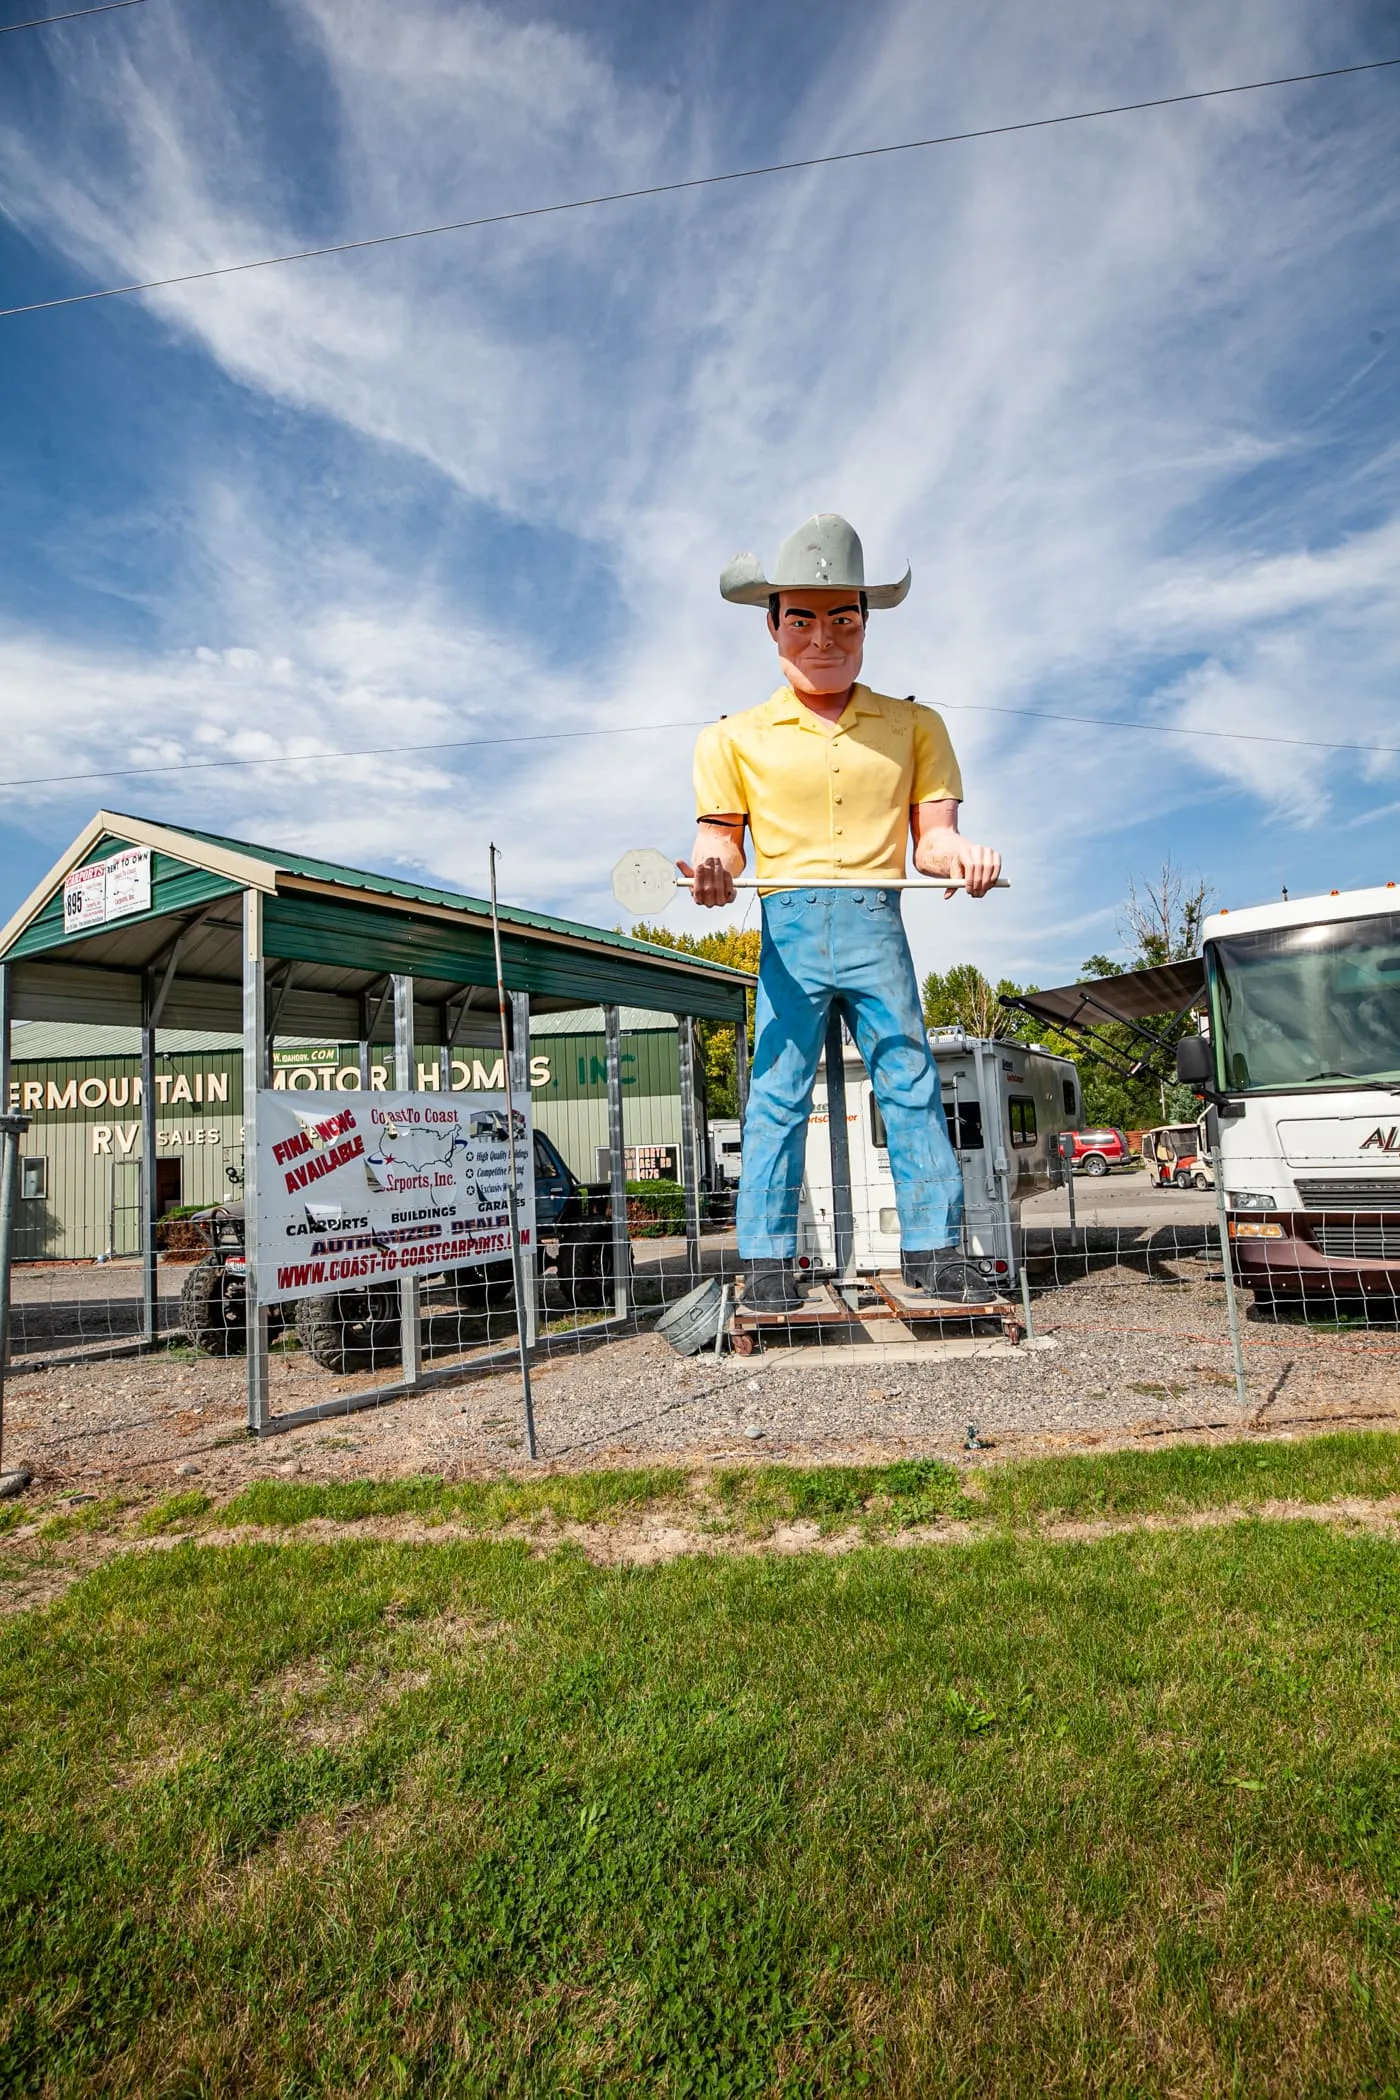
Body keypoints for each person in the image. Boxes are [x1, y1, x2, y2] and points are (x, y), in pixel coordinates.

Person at [686, 512, 1002, 1312]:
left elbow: (932, 840)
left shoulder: (915, 725)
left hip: (877, 917)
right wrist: (715, 873)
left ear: (865, 623)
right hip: (787, 930)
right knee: (776, 1090)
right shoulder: (732, 737)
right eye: (801, 620)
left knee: (909, 1080)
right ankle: (765, 1262)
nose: (821, 638)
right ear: (772, 626)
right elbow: (721, 842)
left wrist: (959, 856)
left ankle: (936, 1251)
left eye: (842, 619)